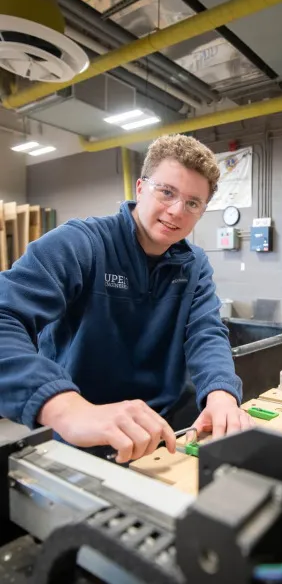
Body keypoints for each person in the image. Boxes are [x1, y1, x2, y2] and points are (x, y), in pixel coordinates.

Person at [0, 134, 253, 464]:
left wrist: (221, 394)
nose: (177, 211)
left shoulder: (194, 264)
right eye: (167, 192)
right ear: (140, 188)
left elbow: (206, 333)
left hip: (168, 432)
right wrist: (67, 409)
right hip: (88, 432)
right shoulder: (81, 244)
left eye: (193, 203)